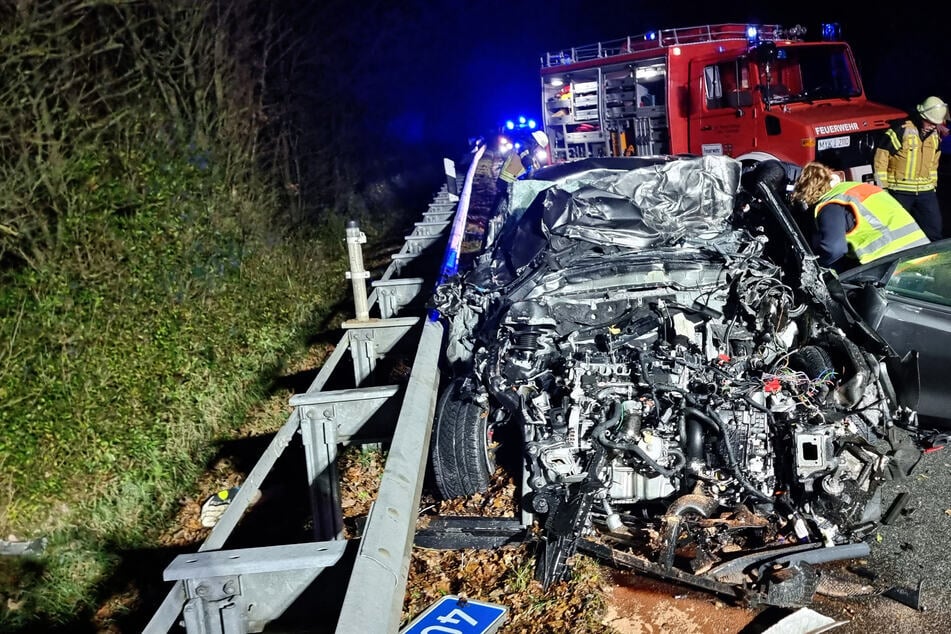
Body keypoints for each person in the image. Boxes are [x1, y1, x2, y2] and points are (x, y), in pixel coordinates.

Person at [791, 161, 929, 270]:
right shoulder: (860, 188)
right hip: (924, 254)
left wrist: (816, 266)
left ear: (808, 192)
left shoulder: (831, 204)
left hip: (892, 266)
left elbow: (834, 249)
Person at [873, 96, 947, 241]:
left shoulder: (934, 136)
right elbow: (881, 158)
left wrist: (933, 185)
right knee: (896, 232)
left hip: (926, 191)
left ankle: (933, 255)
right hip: (900, 191)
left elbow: (934, 163)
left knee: (934, 231)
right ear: (921, 116)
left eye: (935, 123)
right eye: (930, 122)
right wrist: (883, 188)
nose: (933, 126)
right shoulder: (900, 130)